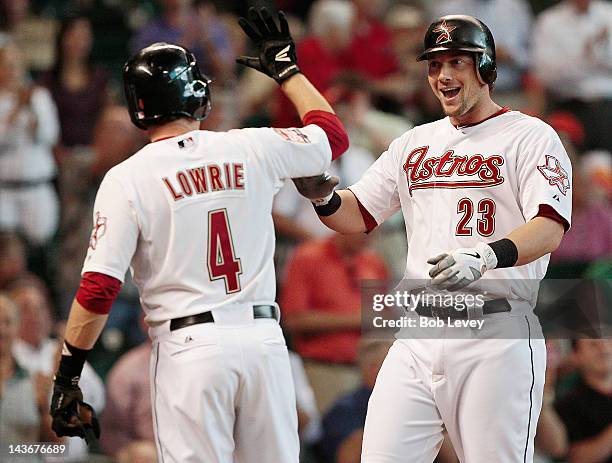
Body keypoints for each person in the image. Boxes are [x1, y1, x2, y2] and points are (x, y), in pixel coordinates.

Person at [48, 7, 349, 463]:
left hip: (190, 349)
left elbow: (99, 288)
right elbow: (332, 135)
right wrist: (287, 71)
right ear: (198, 95)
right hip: (265, 343)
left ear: (137, 108)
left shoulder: (127, 178)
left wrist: (68, 376)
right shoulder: (250, 144)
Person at [306, 15, 572, 462]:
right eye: (434, 65)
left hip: (496, 327)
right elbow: (357, 213)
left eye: (456, 63)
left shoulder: (530, 136)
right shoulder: (414, 142)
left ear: (485, 67)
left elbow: (549, 228)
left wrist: (486, 256)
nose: (443, 75)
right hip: (419, 330)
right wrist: (323, 198)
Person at [555, 339, 612, 463]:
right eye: (593, 344)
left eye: (607, 340)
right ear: (575, 356)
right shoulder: (568, 403)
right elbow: (576, 457)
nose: (603, 348)